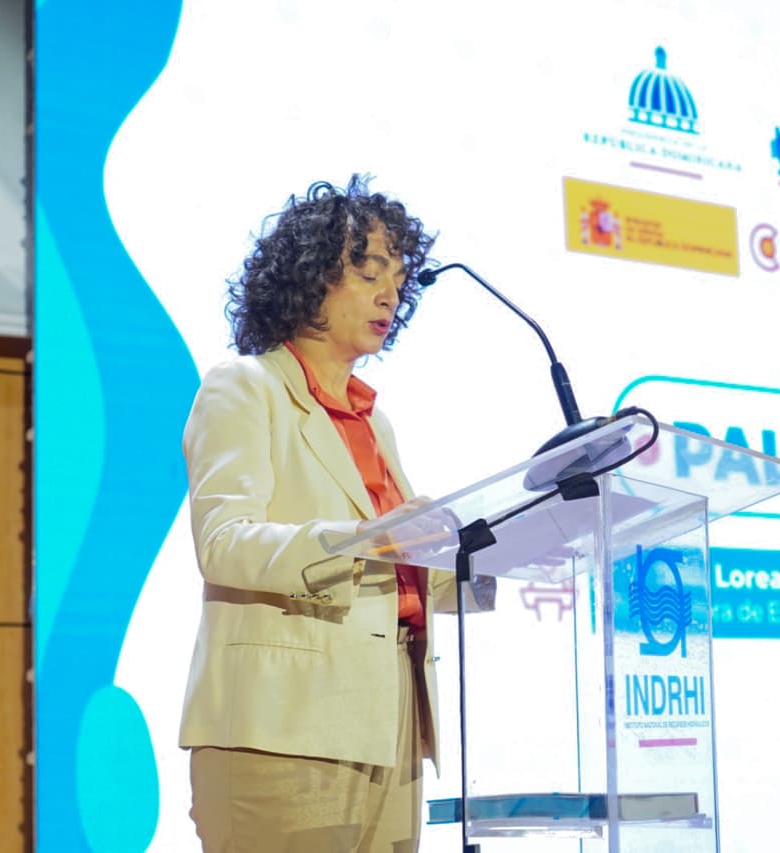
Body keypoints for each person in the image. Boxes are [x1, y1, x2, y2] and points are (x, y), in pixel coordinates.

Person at [179, 176, 484, 852]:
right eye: (369, 273)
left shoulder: (375, 421)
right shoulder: (245, 387)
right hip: (282, 728)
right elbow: (224, 543)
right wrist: (370, 538)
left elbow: (397, 567)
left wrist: (486, 559)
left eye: (398, 280)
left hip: (392, 720)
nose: (390, 295)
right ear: (310, 277)